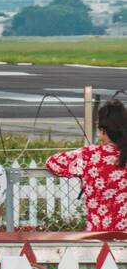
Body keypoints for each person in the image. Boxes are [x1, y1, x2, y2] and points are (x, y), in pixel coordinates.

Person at [45, 99, 127, 232]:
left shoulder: (90, 155)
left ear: (102, 130)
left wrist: (84, 177)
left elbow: (52, 162)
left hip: (97, 236)